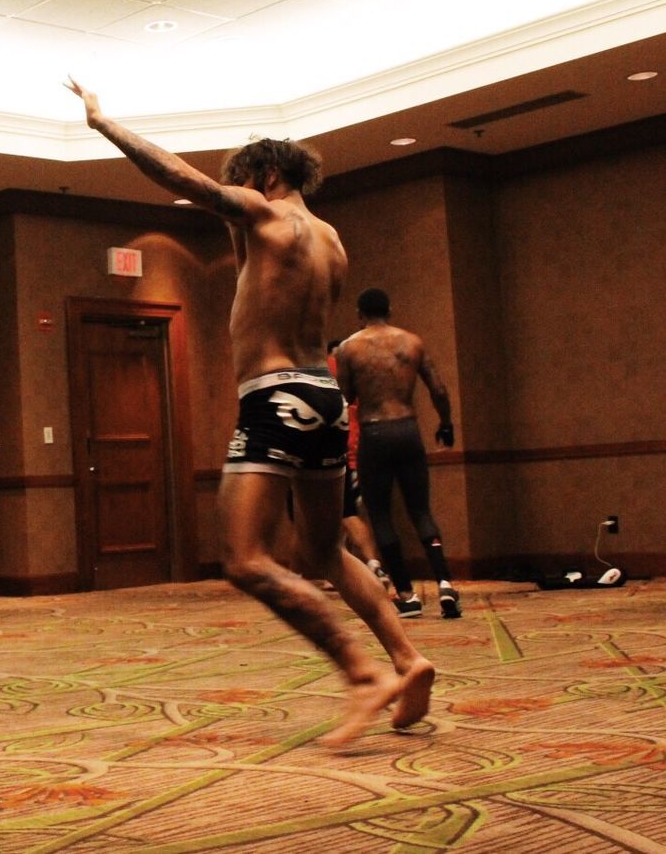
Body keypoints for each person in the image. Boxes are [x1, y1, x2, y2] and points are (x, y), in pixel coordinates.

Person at [65, 78, 434, 747]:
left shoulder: (266, 215)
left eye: (247, 184)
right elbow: (271, 285)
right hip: (323, 394)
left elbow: (180, 176)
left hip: (276, 397)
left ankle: (359, 673)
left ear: (265, 175)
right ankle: (407, 658)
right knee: (324, 546)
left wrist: (103, 124)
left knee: (243, 557)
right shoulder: (331, 239)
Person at [335, 288, 461, 619]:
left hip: (375, 434)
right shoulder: (412, 342)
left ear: (359, 314)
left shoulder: (349, 348)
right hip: (408, 429)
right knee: (421, 510)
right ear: (390, 309)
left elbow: (344, 395)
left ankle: (407, 594)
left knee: (380, 516)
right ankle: (445, 583)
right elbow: (439, 388)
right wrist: (446, 423)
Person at [327, 339, 391, 595]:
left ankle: (373, 566)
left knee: (346, 513)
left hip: (344, 452)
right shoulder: (363, 376)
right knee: (343, 515)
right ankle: (343, 570)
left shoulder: (330, 369)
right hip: (366, 449)